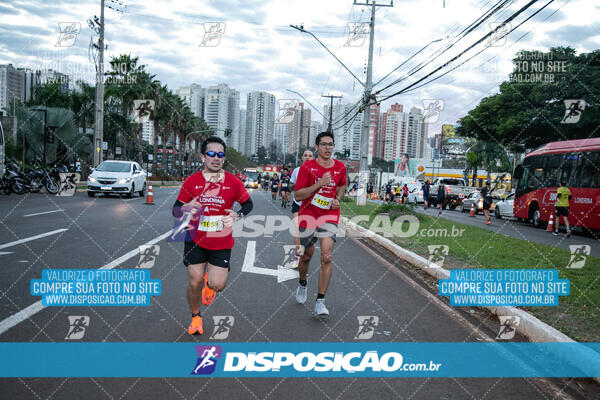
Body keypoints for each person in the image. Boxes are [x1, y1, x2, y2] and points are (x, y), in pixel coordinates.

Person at [172, 136, 253, 335]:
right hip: (195, 239)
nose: (215, 158)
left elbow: (248, 204)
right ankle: (196, 317)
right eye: (211, 154)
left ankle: (211, 282)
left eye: (220, 155)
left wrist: (237, 214)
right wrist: (186, 206)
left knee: (217, 285)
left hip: (221, 240)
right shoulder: (192, 181)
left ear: (224, 158)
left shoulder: (233, 182)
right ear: (203, 157)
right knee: (193, 282)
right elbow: (176, 209)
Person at [294, 132, 347, 316]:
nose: (328, 148)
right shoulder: (307, 168)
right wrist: (319, 184)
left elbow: (342, 185)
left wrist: (338, 198)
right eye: (324, 144)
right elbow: (298, 195)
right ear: (316, 147)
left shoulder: (340, 167)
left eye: (331, 144)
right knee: (307, 255)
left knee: (326, 256)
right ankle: (302, 283)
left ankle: (320, 301)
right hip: (308, 214)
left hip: (329, 215)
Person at [290, 149, 315, 263]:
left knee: (307, 235)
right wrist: (298, 183)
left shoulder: (316, 171)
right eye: (305, 155)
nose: (307, 157)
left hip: (310, 206)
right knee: (297, 231)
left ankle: (305, 254)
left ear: (313, 158)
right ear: (302, 158)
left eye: (310, 156)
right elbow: (290, 187)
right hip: (298, 204)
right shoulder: (296, 171)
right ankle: (297, 257)